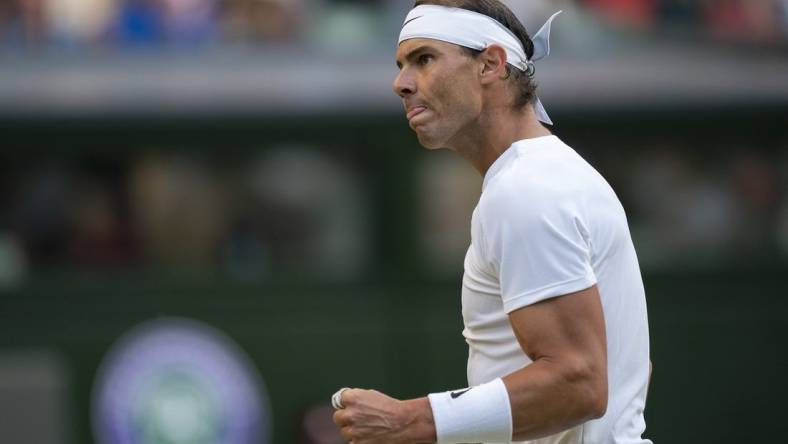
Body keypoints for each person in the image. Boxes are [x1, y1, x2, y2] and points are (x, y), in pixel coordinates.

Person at [331, 1, 652, 443]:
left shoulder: (526, 189)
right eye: (402, 65)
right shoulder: (544, 176)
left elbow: (579, 383)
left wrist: (413, 420)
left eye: (424, 59)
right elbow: (631, 370)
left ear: (490, 64)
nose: (400, 84)